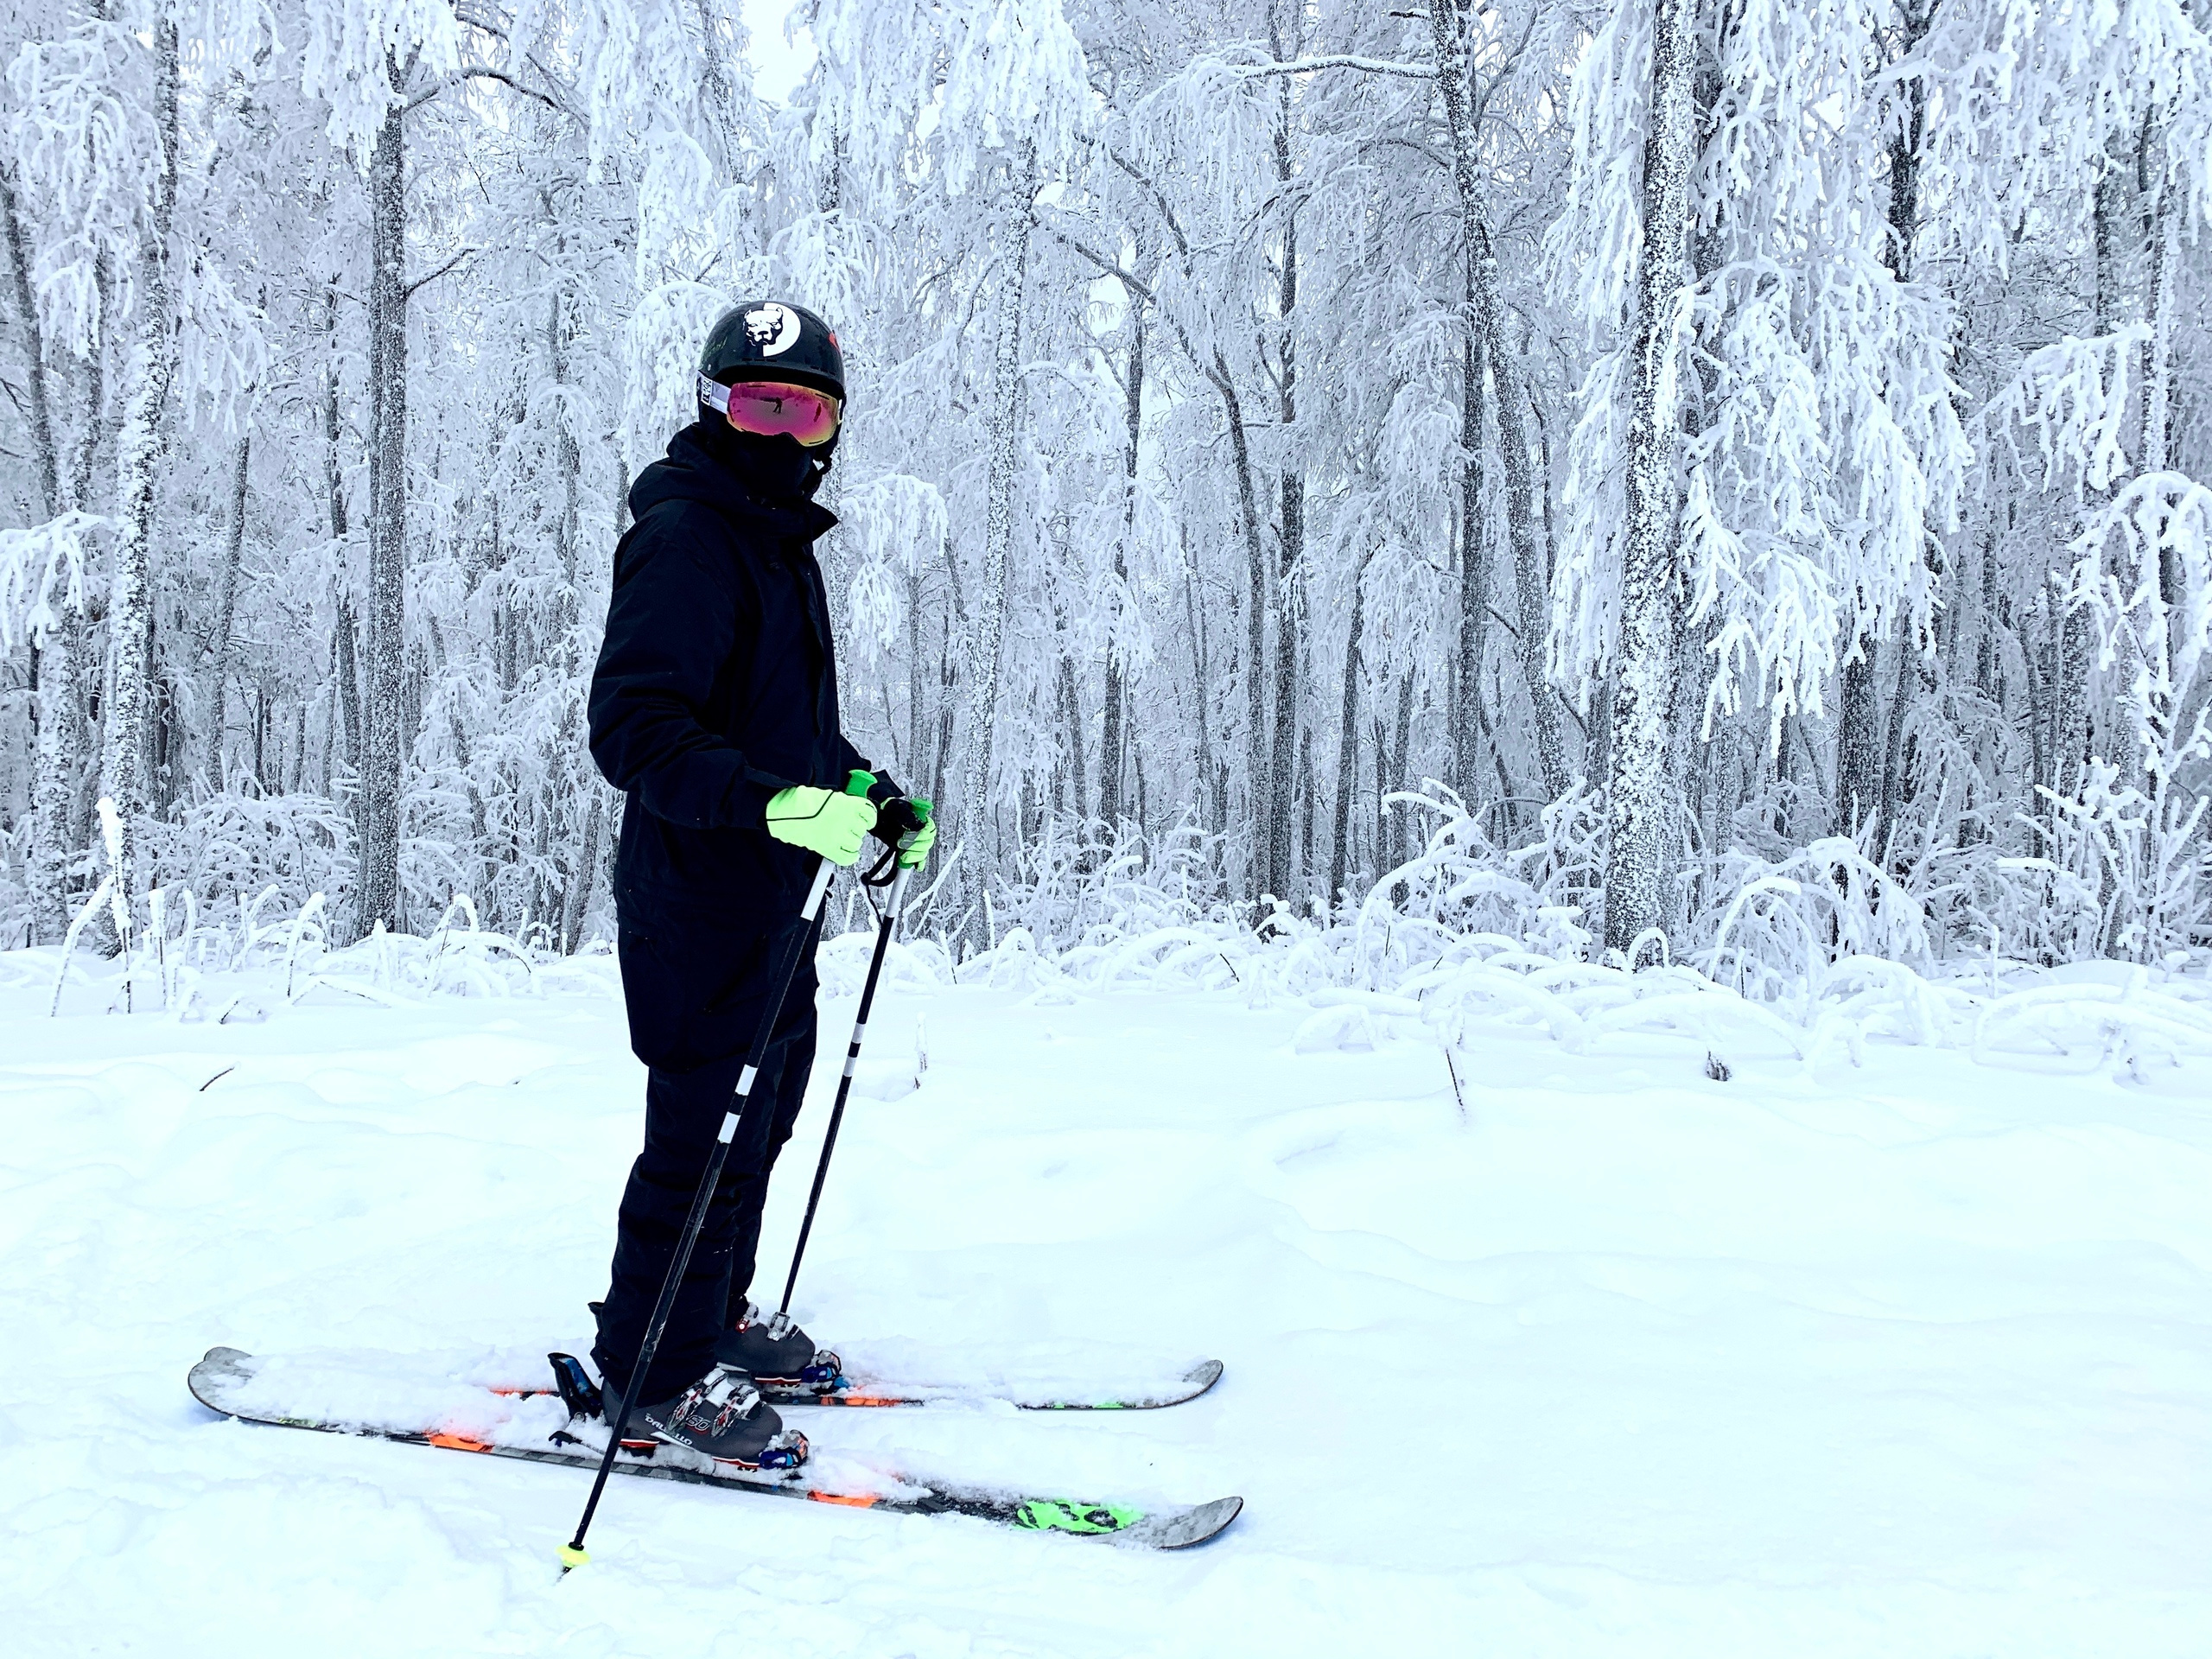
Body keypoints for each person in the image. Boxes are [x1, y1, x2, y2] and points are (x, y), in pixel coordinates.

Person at [585, 299, 936, 1468]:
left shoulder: (771, 546)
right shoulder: (689, 537)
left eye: (805, 410)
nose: (781, 433)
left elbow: (780, 734)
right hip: (698, 895)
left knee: (764, 1116)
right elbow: (635, 729)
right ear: (714, 405)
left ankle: (710, 1318)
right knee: (701, 1130)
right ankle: (652, 1373)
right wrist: (779, 804)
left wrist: (867, 792)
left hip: (776, 898)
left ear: (832, 427)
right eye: (758, 403)